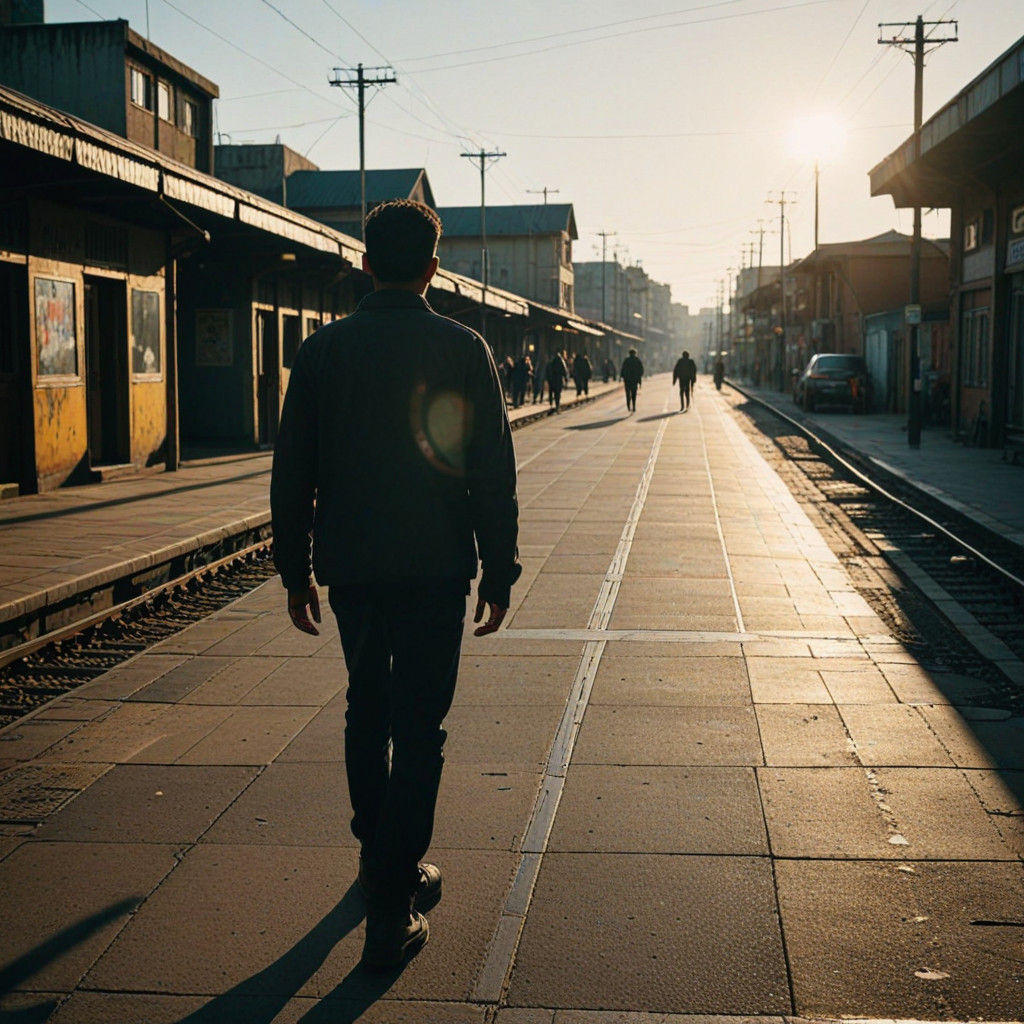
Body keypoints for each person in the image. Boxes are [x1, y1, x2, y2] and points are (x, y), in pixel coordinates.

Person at [270, 199, 520, 971]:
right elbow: (492, 472)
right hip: (435, 568)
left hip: (353, 567)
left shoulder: (321, 352)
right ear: (433, 269)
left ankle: (379, 859)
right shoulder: (463, 348)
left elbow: (293, 473)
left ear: (366, 263)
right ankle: (390, 903)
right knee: (419, 729)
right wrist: (500, 569)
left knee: (365, 708)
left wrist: (294, 570)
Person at [620, 347, 643, 412]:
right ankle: (634, 406)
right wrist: (639, 379)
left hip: (627, 380)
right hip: (634, 380)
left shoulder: (626, 360)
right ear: (635, 353)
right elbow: (641, 370)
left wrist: (621, 377)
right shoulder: (637, 360)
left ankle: (628, 404)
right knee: (634, 394)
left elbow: (622, 369)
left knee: (627, 393)